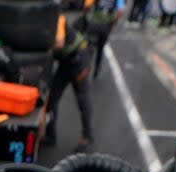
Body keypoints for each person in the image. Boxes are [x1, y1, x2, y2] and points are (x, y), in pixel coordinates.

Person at [44, 0, 96, 152]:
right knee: (52, 98)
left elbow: (59, 43)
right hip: (66, 61)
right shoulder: (42, 20)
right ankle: (50, 134)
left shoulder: (58, 17)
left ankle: (88, 137)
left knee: (83, 98)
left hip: (79, 58)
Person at [85, 0, 127, 77]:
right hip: (106, 25)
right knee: (100, 49)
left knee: (89, 48)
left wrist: (87, 15)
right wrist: (113, 22)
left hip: (94, 22)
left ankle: (85, 70)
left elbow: (87, 5)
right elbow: (120, 11)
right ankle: (96, 70)